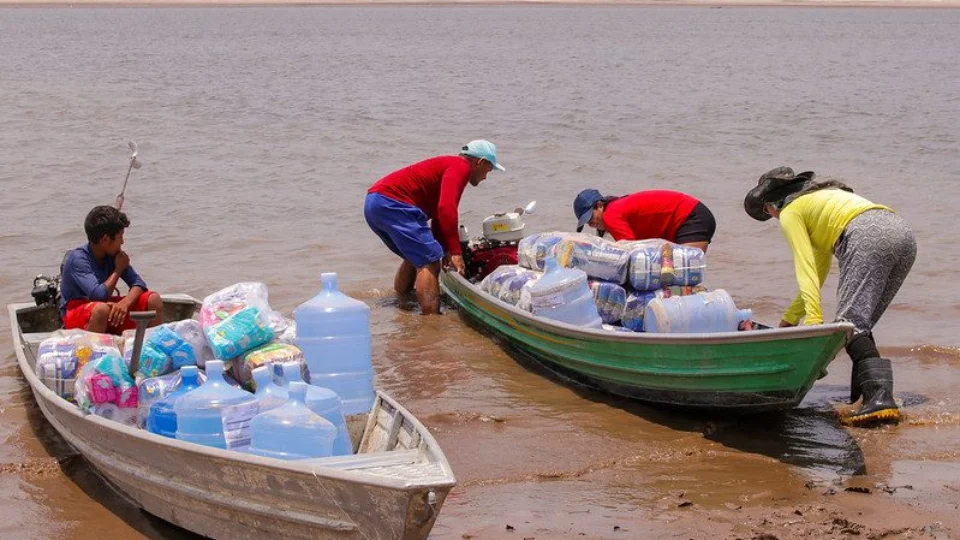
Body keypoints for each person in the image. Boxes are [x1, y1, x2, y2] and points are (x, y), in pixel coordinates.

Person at [743, 166, 916, 427]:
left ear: (772, 204)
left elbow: (805, 270)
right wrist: (790, 319)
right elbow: (819, 272)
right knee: (859, 326)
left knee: (851, 326)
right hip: (902, 233)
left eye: (766, 211)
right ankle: (862, 400)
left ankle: (880, 398)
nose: (771, 217)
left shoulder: (791, 212)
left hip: (864, 233)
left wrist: (813, 324)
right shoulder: (817, 203)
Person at [364, 140, 505, 315]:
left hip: (375, 202)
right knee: (429, 261)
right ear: (480, 162)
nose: (486, 176)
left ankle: (403, 301)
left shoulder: (451, 165)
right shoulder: (460, 167)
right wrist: (455, 252)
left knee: (417, 254)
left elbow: (439, 215)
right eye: (489, 169)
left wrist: (445, 248)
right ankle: (431, 320)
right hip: (393, 204)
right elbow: (446, 209)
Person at [59, 205, 163, 334]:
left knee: (153, 299)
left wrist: (125, 303)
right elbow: (98, 295)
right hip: (77, 311)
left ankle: (149, 349)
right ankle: (97, 352)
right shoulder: (78, 259)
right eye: (120, 237)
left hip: (105, 308)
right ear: (105, 239)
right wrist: (118, 270)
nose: (122, 242)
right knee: (101, 309)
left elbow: (139, 284)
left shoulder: (113, 255)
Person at [572, 189, 716, 252]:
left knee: (684, 270)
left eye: (590, 217)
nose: (591, 224)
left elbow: (632, 250)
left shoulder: (611, 215)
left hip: (691, 217)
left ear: (599, 205)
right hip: (692, 214)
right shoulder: (616, 209)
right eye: (587, 223)